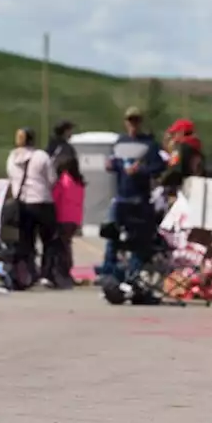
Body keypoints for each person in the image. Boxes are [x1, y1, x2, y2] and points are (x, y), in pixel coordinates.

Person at [99, 107, 166, 280]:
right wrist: (110, 165)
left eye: (136, 120)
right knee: (112, 234)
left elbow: (159, 167)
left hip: (140, 199)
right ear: (125, 122)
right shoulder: (120, 142)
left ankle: (133, 274)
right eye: (130, 120)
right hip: (121, 198)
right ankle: (108, 272)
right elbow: (115, 163)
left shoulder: (149, 144)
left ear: (140, 122)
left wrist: (141, 169)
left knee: (139, 239)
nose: (133, 124)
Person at [5, 128, 58, 290]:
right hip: (42, 201)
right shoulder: (41, 156)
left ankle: (28, 273)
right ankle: (47, 274)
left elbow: (11, 178)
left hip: (22, 203)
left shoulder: (12, 157)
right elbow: (52, 179)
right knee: (49, 241)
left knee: (26, 241)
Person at [49, 151, 86, 289]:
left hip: (62, 218)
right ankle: (67, 272)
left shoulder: (63, 181)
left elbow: (55, 197)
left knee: (59, 247)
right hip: (75, 219)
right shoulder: (79, 182)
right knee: (66, 245)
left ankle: (61, 273)